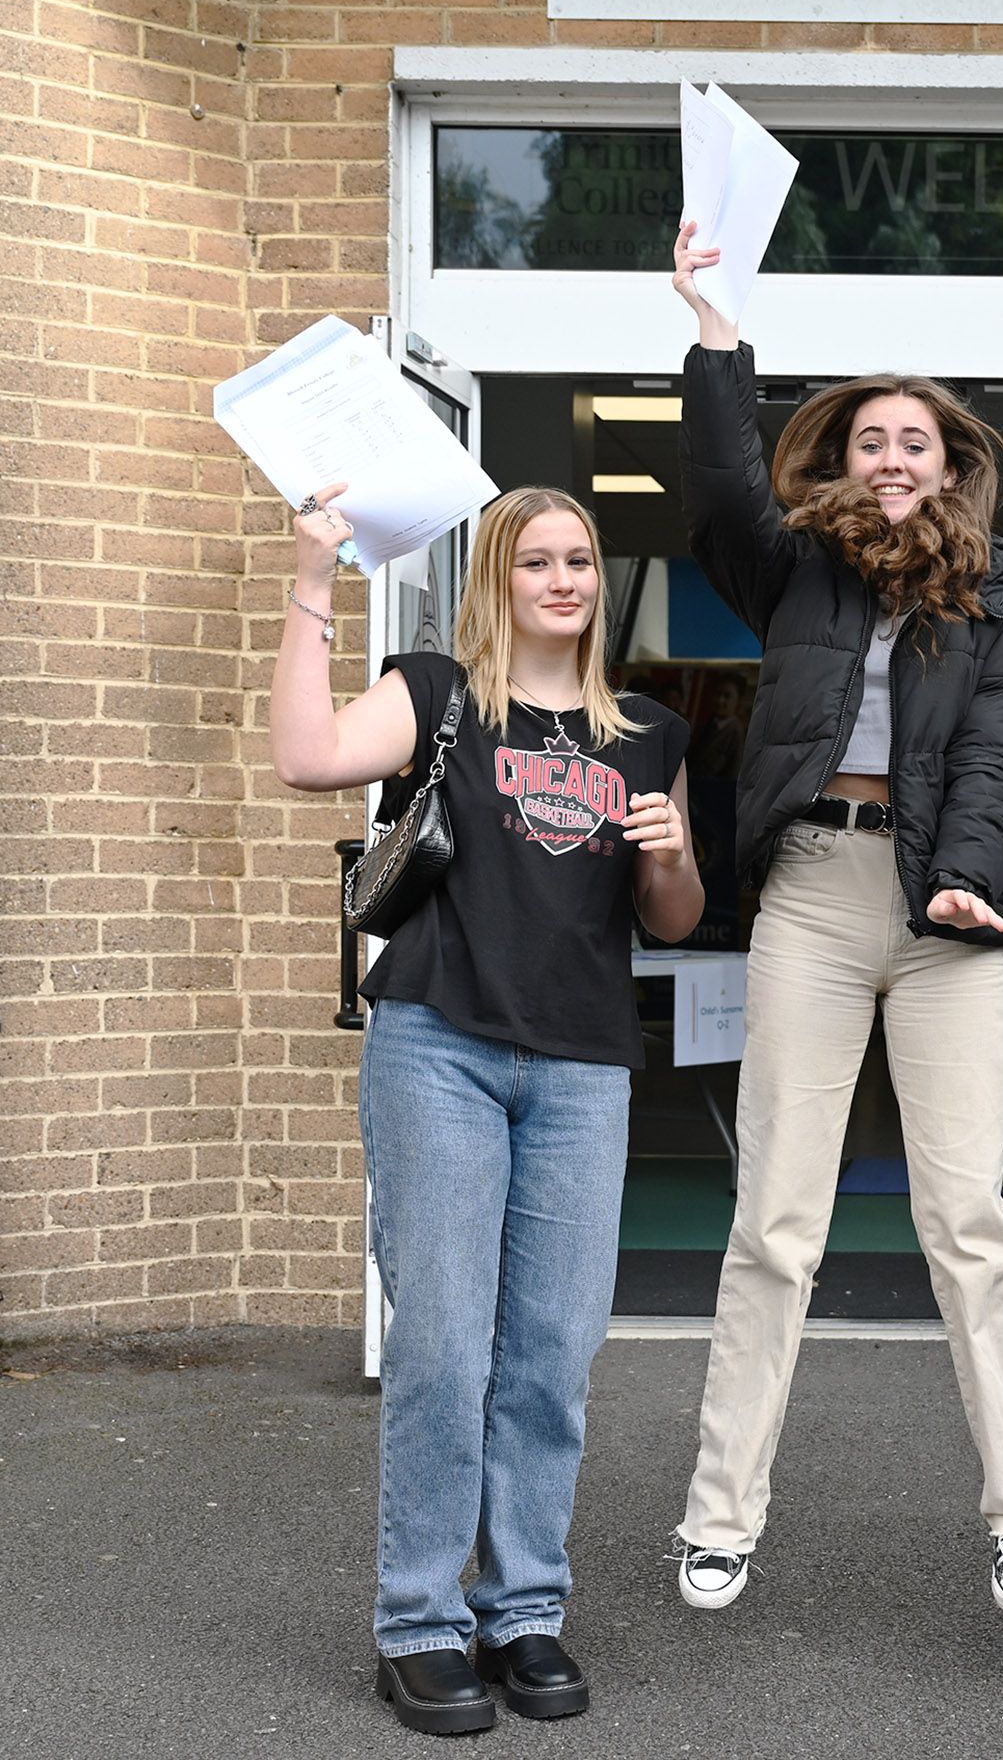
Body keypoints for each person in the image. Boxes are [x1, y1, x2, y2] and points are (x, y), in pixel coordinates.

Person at [666, 221, 1003, 1620]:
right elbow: (719, 474)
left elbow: (1001, 755)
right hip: (814, 904)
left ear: (952, 467)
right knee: (776, 1221)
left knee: (970, 1220)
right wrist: (719, 333)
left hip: (947, 913)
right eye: (869, 443)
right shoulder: (792, 571)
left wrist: (969, 872)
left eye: (918, 444)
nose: (893, 460)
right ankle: (720, 1517)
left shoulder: (997, 601)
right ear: (840, 463)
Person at [271, 484, 701, 1735]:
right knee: (446, 1349)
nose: (562, 580)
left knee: (551, 1356)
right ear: (497, 579)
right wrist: (312, 575)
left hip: (580, 1067)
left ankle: (523, 1609)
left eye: (579, 561)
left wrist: (671, 852)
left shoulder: (650, 734)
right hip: (440, 1048)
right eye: (535, 561)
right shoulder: (439, 693)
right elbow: (303, 758)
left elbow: (669, 920)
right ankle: (419, 1619)